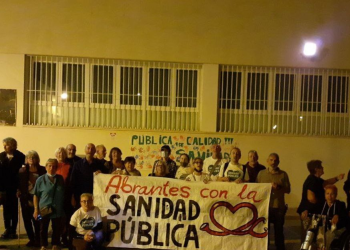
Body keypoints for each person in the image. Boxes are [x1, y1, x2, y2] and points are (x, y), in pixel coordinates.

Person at [297, 160, 344, 240]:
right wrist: (323, 204)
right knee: (309, 236)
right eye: (321, 167)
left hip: (311, 212)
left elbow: (326, 182)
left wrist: (337, 178)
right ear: (316, 169)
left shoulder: (317, 180)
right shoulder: (312, 180)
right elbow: (311, 198)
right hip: (309, 213)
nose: (323, 168)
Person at [257, 153, 291, 250]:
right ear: (267, 161)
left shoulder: (283, 174)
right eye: (271, 160)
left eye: (275, 160)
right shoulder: (261, 174)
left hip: (278, 207)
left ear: (278, 162)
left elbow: (288, 190)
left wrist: (279, 187)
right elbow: (256, 188)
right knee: (264, 230)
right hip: (265, 207)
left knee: (279, 231)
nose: (273, 162)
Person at [33, 159, 65, 250]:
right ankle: (43, 245)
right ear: (46, 167)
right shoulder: (40, 179)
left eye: (54, 166)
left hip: (57, 209)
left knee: (56, 228)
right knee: (43, 228)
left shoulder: (60, 178)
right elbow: (36, 195)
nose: (52, 168)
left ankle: (55, 244)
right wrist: (36, 210)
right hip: (43, 209)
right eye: (49, 166)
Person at [17, 150, 46, 247]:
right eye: (30, 158)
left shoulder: (43, 170)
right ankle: (31, 239)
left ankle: (38, 239)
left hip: (39, 199)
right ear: (26, 160)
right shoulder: (22, 171)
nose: (32, 159)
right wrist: (18, 190)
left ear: (37, 159)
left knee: (38, 220)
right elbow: (18, 184)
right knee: (27, 220)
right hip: (25, 199)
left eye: (34, 157)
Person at [0, 137, 25, 239]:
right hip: (4, 187)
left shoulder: (21, 156)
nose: (5, 146)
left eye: (7, 144)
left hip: (15, 187)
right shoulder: (1, 156)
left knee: (14, 209)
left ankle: (13, 230)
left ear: (13, 145)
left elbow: (22, 173)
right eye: (4, 145)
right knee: (6, 209)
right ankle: (7, 228)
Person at [55, 147, 73, 247]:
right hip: (55, 196)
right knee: (57, 218)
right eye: (58, 153)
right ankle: (57, 239)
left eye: (62, 153)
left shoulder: (69, 166)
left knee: (66, 218)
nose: (60, 154)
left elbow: (71, 182)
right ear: (56, 154)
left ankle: (65, 238)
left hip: (66, 195)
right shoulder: (53, 165)